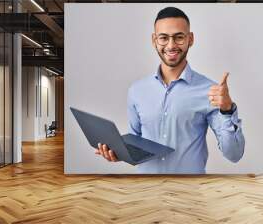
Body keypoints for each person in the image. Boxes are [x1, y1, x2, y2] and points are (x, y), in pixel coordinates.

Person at [95, 6, 245, 174]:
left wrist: (227, 110)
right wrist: (118, 152)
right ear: (154, 40)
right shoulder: (137, 90)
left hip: (189, 193)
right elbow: (135, 140)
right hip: (146, 190)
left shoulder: (210, 91)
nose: (171, 45)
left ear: (190, 39)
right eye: (164, 38)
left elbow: (234, 154)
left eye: (179, 37)